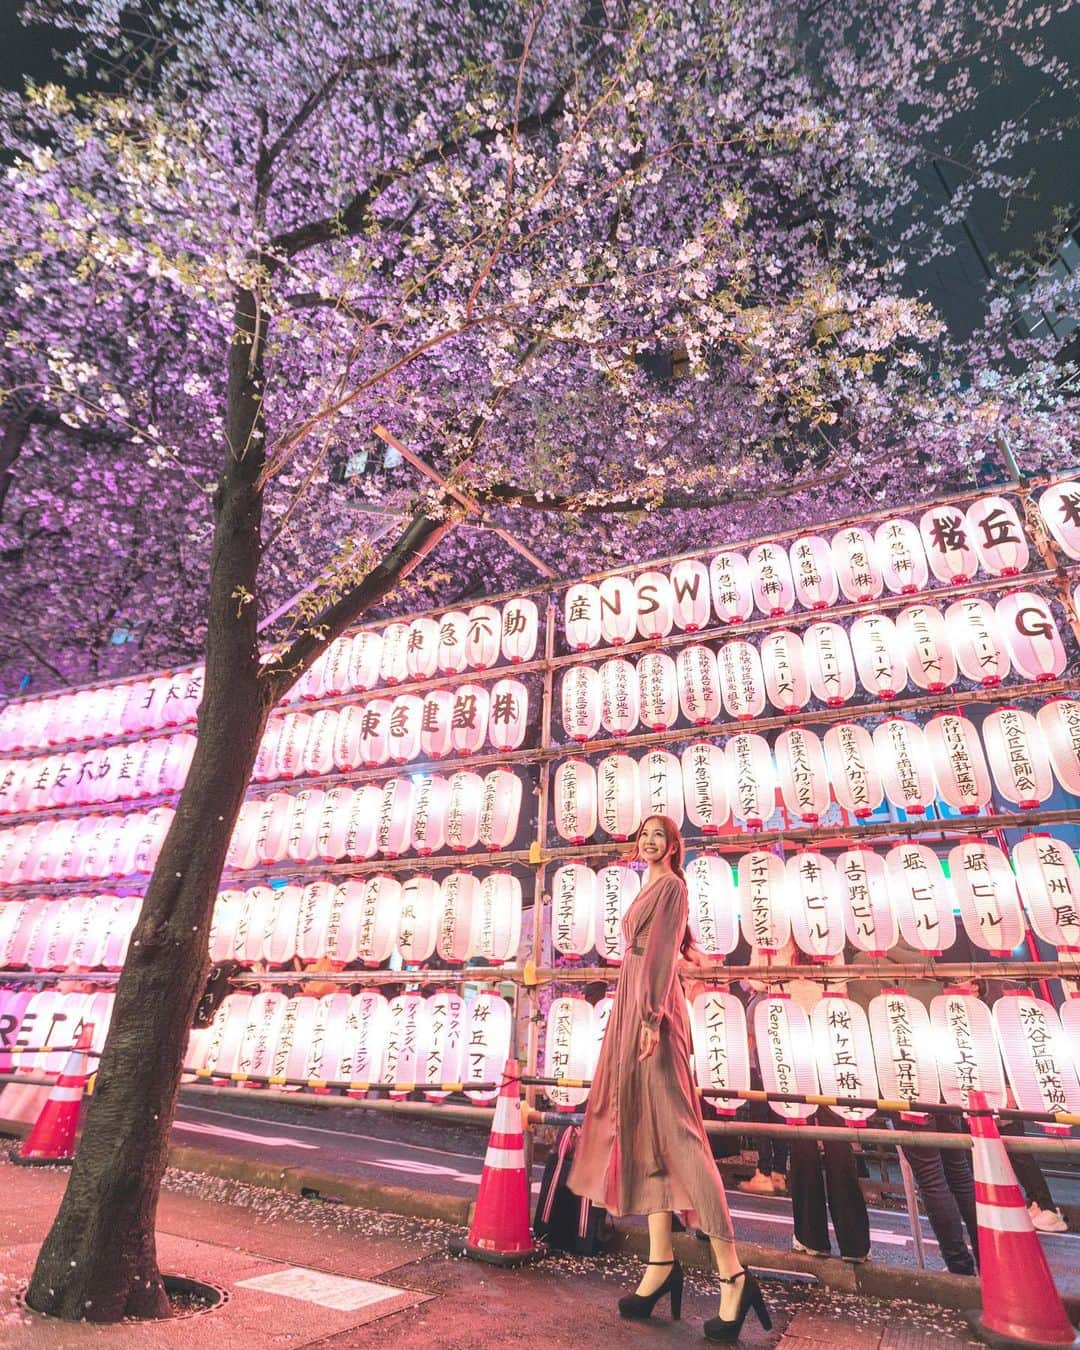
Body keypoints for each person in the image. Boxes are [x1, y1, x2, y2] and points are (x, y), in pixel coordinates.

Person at [568, 815, 771, 1343]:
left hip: (651, 1013)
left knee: (680, 1136)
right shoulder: (650, 886)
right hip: (634, 1005)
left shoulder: (674, 888)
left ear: (675, 846)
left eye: (660, 835)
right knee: (642, 1133)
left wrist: (651, 1018)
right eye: (644, 835)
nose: (650, 841)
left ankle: (733, 1275)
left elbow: (659, 955)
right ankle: (660, 1263)